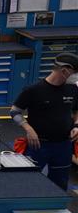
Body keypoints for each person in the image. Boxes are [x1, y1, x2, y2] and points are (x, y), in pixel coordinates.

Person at [10, 52, 78, 190]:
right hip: (38, 145)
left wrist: (77, 125)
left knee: (60, 183)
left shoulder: (73, 89)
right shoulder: (34, 90)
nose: (76, 77)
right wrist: (28, 129)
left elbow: (77, 110)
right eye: (75, 73)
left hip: (64, 145)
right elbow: (15, 111)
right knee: (28, 181)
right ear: (65, 70)